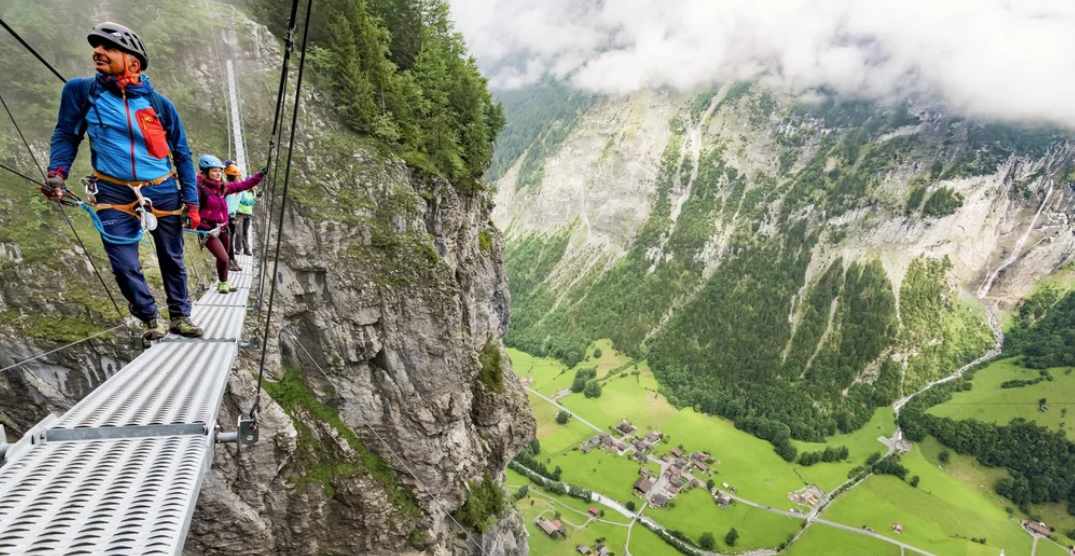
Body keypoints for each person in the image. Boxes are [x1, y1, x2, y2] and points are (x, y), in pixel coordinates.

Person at [43, 22, 203, 340]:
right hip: (112, 189)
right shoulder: (81, 92)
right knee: (123, 263)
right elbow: (66, 135)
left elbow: (182, 155)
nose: (97, 52)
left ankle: (180, 316)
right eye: (97, 47)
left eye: (108, 48)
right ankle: (149, 318)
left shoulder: (160, 105)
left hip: (163, 188)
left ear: (133, 60)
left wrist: (192, 201)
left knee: (172, 257)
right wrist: (56, 173)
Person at [196, 155, 264, 293]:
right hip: (207, 230)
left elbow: (244, 185)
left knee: (224, 258)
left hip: (223, 227)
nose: (218, 173)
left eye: (220, 171)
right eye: (214, 171)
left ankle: (223, 283)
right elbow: (190, 204)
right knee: (223, 257)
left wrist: (260, 175)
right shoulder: (199, 189)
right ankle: (223, 283)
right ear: (205, 172)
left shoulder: (223, 188)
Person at [230, 165, 257, 256]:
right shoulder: (242, 190)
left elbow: (250, 203)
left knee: (245, 232)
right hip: (239, 213)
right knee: (239, 232)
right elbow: (246, 202)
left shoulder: (253, 192)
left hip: (248, 214)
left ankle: (246, 249)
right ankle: (238, 249)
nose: (255, 186)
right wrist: (255, 199)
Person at [223, 162, 243, 270]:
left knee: (230, 240)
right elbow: (228, 206)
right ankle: (230, 261)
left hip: (231, 217)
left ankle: (232, 260)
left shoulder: (237, 190)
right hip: (226, 218)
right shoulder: (229, 190)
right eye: (238, 177)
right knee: (228, 240)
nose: (240, 178)